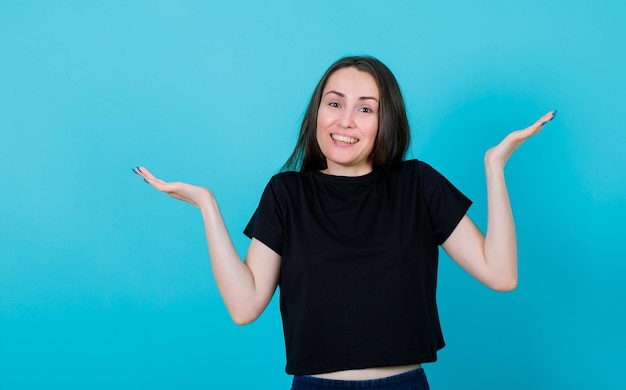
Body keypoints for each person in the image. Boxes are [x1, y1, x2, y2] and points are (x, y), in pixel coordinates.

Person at [133, 55, 556, 389]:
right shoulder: (287, 193)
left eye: (365, 109)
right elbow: (244, 307)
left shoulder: (418, 184)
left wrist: (494, 166)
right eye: (334, 103)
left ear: (384, 121)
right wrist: (207, 206)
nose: (345, 121)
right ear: (318, 112)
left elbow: (501, 274)